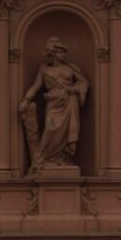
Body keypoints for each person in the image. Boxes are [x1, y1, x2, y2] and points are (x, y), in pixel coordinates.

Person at [19, 36, 89, 171]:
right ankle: (43, 160)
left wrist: (73, 89)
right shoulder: (44, 69)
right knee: (51, 130)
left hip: (70, 102)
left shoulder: (71, 68)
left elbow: (83, 83)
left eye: (63, 52)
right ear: (54, 53)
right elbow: (36, 86)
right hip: (53, 103)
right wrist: (26, 100)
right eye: (61, 51)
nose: (63, 54)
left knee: (68, 132)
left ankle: (63, 160)